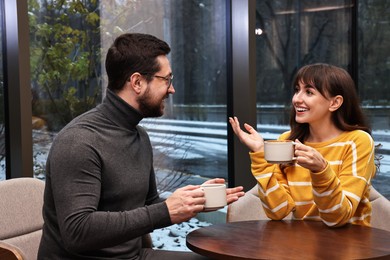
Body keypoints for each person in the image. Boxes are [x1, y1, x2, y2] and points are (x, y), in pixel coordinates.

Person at [38, 33, 244, 259]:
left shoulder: (138, 135)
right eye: (166, 79)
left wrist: (193, 202)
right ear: (137, 82)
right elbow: (77, 231)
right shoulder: (78, 141)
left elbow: (148, 206)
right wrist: (166, 211)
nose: (172, 89)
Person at [229, 63, 376, 228]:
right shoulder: (287, 140)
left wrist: (321, 171)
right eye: (297, 90)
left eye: (309, 92)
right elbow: (278, 211)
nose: (297, 99)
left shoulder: (357, 141)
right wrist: (260, 154)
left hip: (351, 247)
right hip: (300, 246)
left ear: (335, 103)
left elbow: (337, 218)